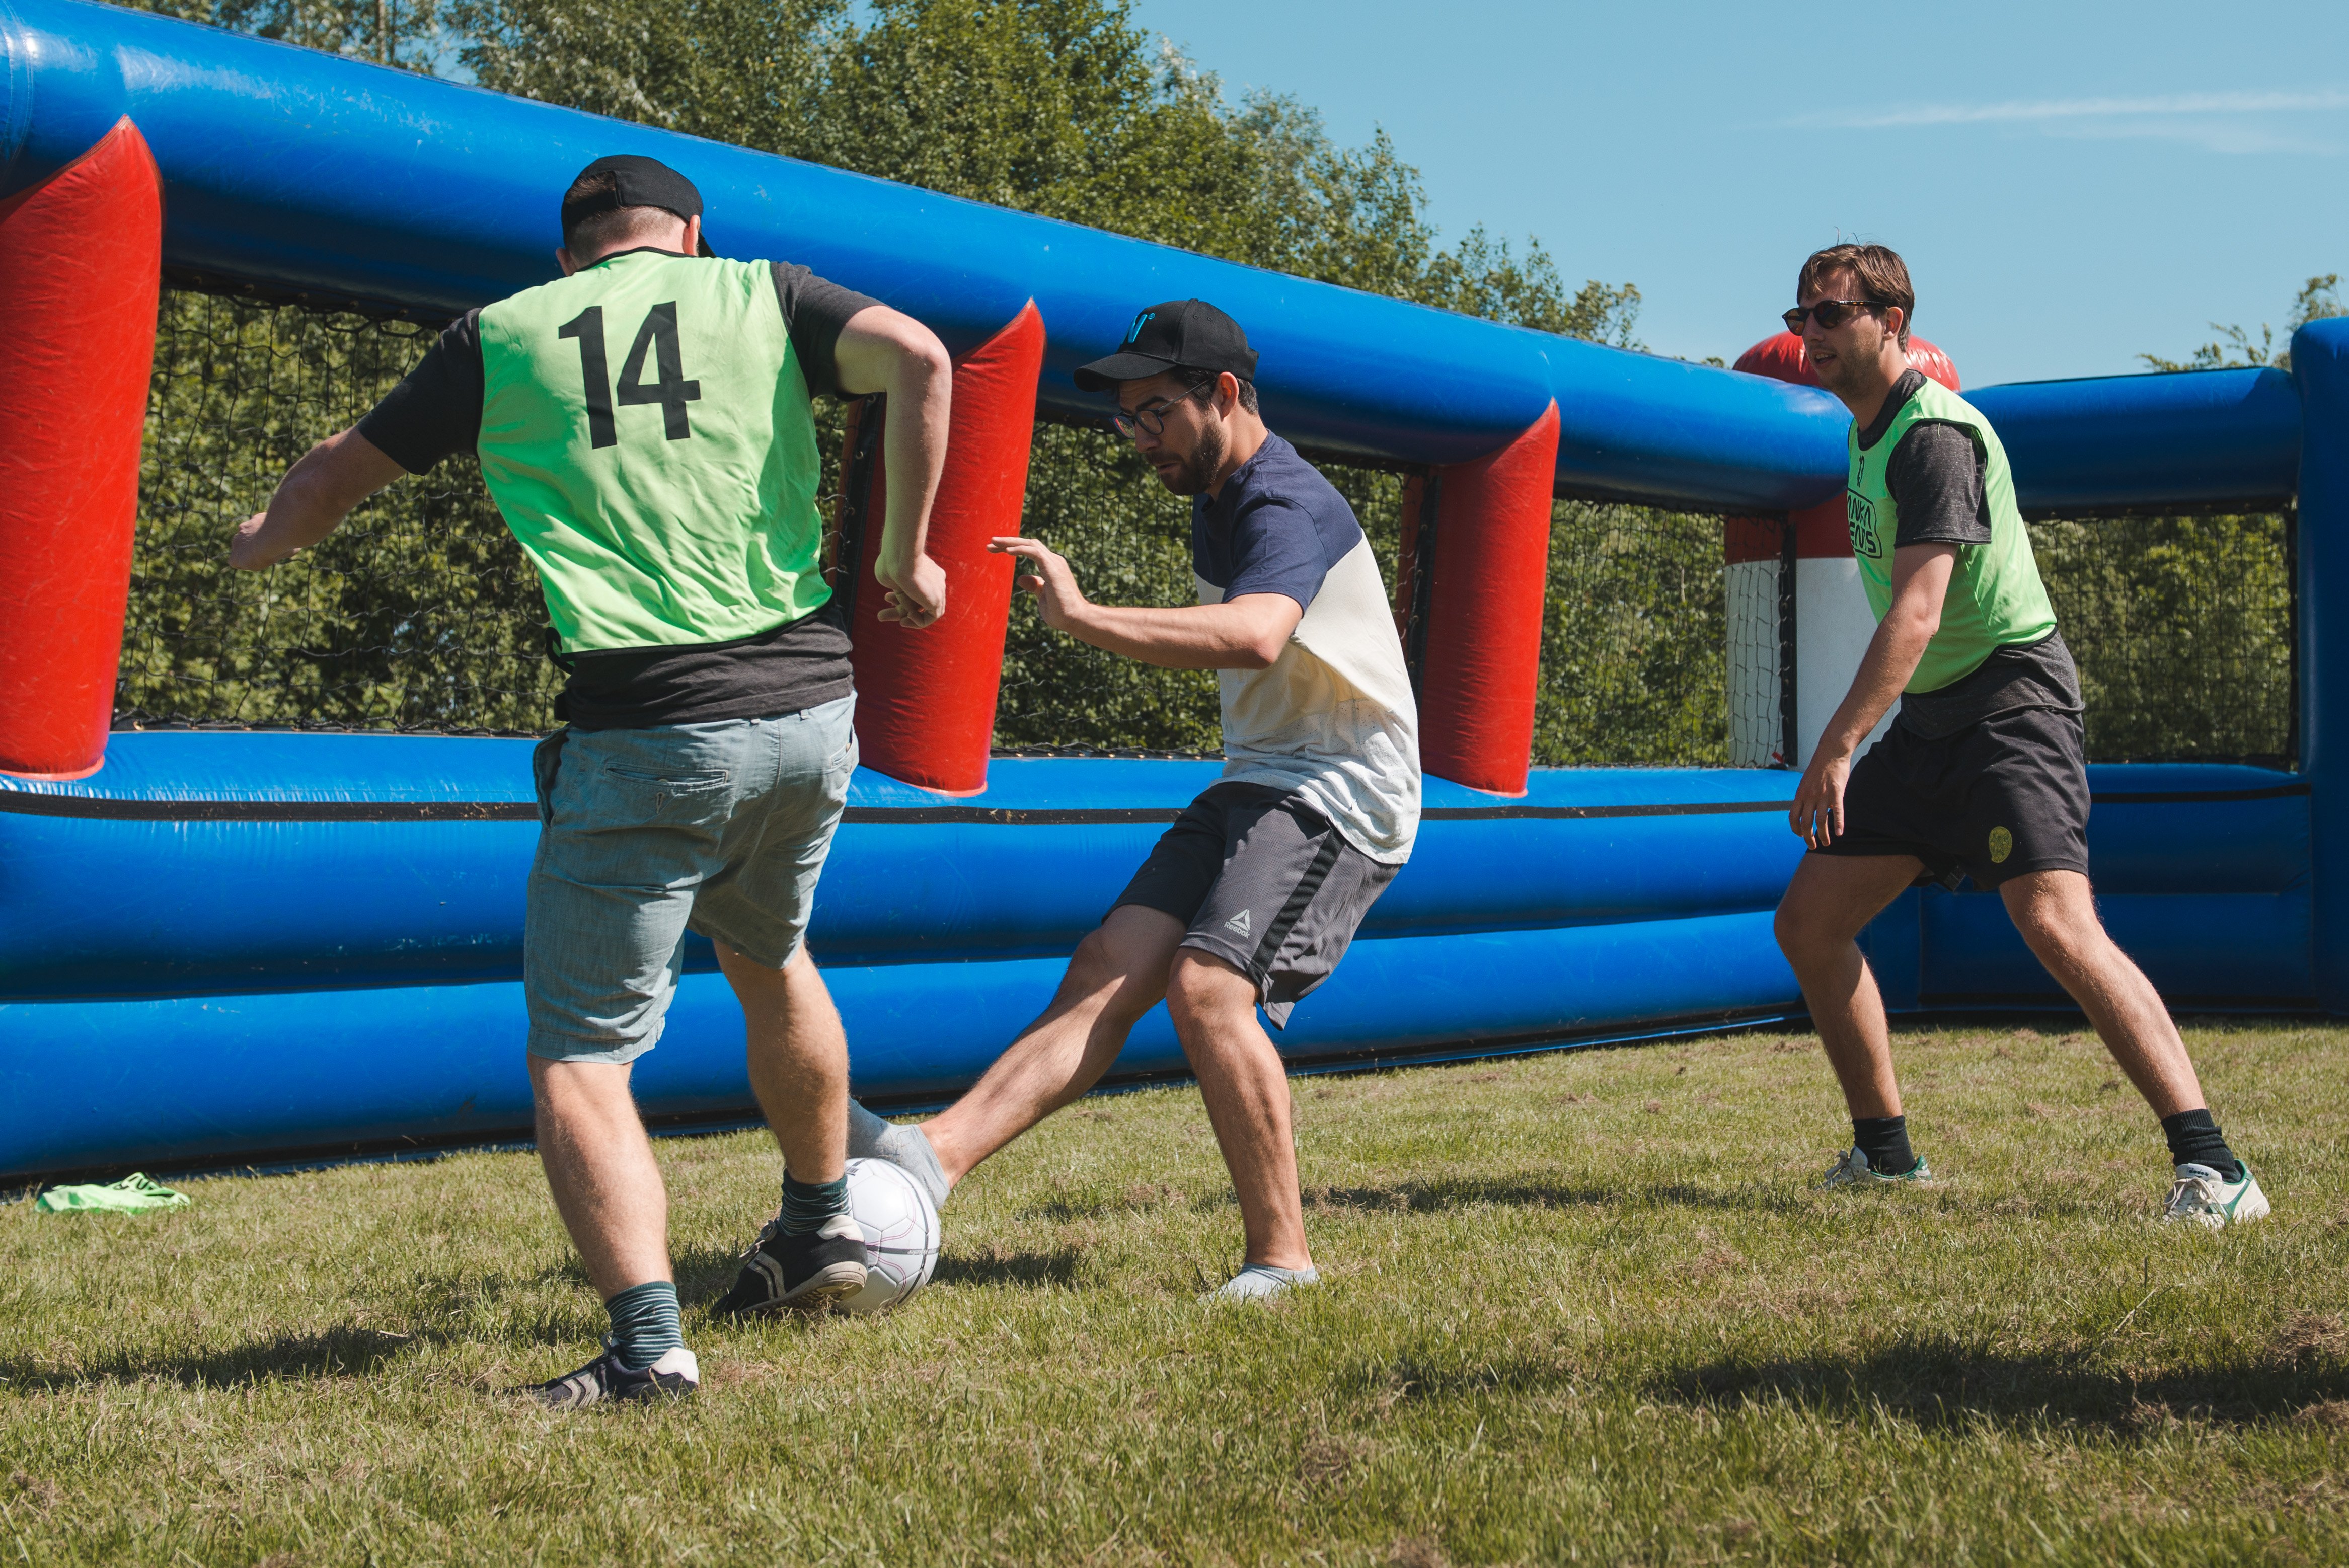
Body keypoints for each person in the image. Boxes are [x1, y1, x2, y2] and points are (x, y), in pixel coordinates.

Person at [229, 154, 956, 1405]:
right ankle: (822, 1221)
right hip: (807, 709)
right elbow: (926, 359)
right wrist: (907, 557)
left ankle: (646, 1350)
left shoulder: (502, 334)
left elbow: (329, 474)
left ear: (572, 254)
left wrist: (257, 547)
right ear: (689, 232)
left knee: (578, 1054)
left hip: (650, 726)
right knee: (770, 951)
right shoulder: (760, 292)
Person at [849, 299, 1420, 1299]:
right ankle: (931, 1156)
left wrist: (1081, 617)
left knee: (1208, 989)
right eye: (1128, 418)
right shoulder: (1219, 492)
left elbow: (1255, 634)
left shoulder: (1280, 500)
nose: (1139, 437)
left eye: (1155, 412)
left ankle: (1284, 1261)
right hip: (1263, 777)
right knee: (1110, 962)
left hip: (1343, 791)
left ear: (1226, 395)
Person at [1771, 243, 2267, 1228]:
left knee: (2054, 921)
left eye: (1832, 314)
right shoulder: (1865, 436)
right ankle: (1886, 1157)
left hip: (2011, 705)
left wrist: (1834, 747)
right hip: (1934, 720)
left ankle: (2219, 1172)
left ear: (1891, 320)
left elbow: (1916, 612)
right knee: (1811, 923)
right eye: (1801, 319)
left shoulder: (1933, 437)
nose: (1810, 335)